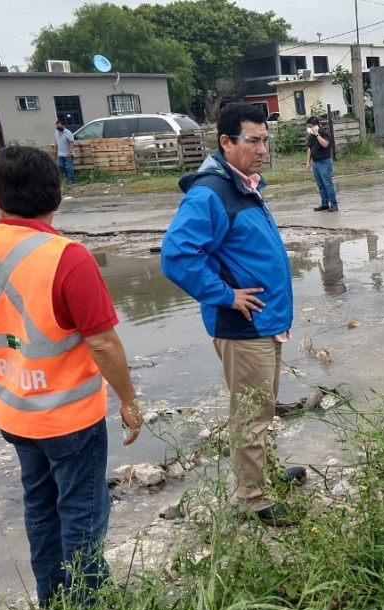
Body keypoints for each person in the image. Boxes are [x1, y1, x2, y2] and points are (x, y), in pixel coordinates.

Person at [0, 145, 143, 610]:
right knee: (81, 513)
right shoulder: (68, 257)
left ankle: (53, 605)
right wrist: (129, 401)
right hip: (70, 419)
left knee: (40, 509)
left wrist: (10, 372)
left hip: (15, 414)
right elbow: (101, 343)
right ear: (56, 195)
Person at [160, 103, 304, 527]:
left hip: (265, 323)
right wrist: (225, 295)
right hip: (243, 327)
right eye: (253, 140)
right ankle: (252, 499)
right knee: (251, 413)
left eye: (265, 139)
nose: (263, 148)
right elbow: (177, 257)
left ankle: (265, 476)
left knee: (263, 408)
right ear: (226, 142)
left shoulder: (242, 185)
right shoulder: (211, 192)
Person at [305, 116, 338, 212]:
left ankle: (334, 204)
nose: (309, 129)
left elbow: (325, 144)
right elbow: (309, 149)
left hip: (324, 162)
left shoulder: (324, 133)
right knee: (320, 185)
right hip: (316, 163)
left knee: (328, 184)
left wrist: (317, 134)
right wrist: (308, 162)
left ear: (316, 126)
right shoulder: (311, 136)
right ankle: (324, 204)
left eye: (310, 126)